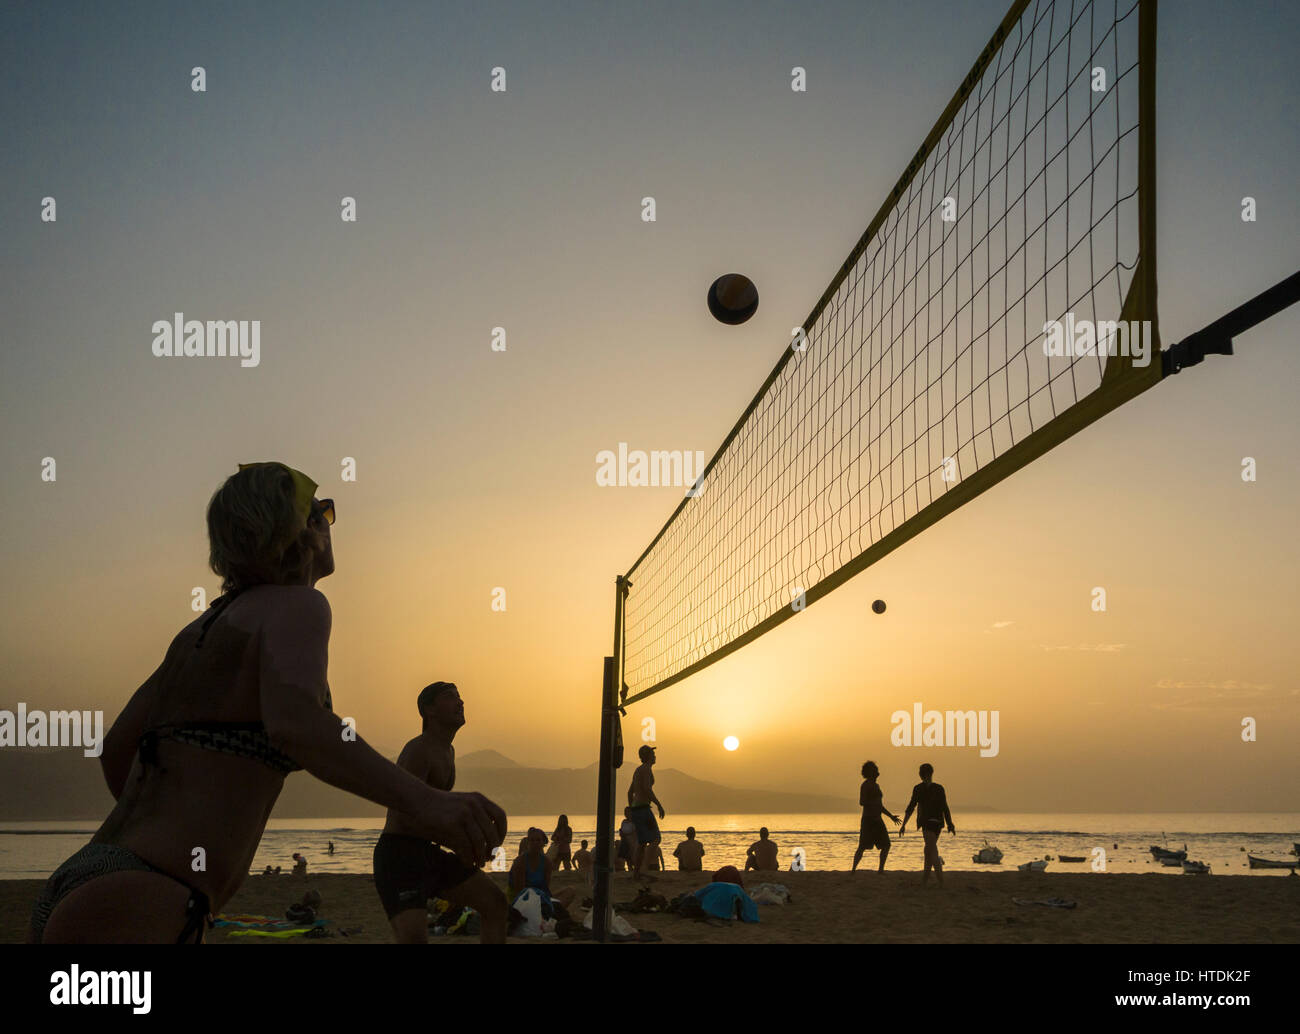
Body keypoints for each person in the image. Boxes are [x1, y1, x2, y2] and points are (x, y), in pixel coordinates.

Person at [27, 462, 506, 944]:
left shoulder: (198, 632)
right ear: (303, 530)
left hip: (93, 872)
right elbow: (296, 724)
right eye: (322, 511)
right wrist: (431, 803)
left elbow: (116, 750)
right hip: (147, 895)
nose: (328, 522)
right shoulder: (298, 605)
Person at [373, 682, 509, 944]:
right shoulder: (419, 750)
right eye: (450, 697)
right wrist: (458, 840)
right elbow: (402, 815)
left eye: (460, 696)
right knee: (414, 938)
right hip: (399, 856)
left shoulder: (448, 751)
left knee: (495, 904)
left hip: (427, 852)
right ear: (429, 711)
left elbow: (436, 812)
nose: (460, 702)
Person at [901, 762, 956, 887]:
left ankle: (941, 882)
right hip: (938, 824)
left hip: (926, 823)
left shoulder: (918, 789)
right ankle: (924, 881)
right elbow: (945, 808)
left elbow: (911, 807)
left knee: (932, 851)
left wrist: (904, 824)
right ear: (931, 773)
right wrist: (949, 824)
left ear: (920, 775)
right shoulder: (939, 788)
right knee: (928, 850)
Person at [509, 827, 576, 921]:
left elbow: (545, 887)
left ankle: (547, 913)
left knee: (570, 891)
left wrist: (546, 900)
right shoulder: (521, 861)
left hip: (541, 897)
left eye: (538, 840)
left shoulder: (546, 862)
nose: (535, 843)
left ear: (543, 843)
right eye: (532, 840)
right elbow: (519, 891)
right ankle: (547, 914)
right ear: (528, 842)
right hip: (523, 899)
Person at [852, 761, 899, 872]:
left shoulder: (876, 786)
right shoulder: (866, 785)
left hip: (878, 820)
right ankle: (853, 869)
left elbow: (880, 806)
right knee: (862, 847)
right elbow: (862, 802)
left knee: (886, 845)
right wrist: (873, 803)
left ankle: (881, 870)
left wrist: (891, 817)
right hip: (868, 820)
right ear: (870, 772)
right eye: (875, 770)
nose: (878, 772)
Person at [627, 745, 665, 879]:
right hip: (643, 808)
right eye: (652, 754)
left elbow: (630, 792)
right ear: (648, 756)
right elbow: (647, 789)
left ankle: (636, 872)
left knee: (642, 843)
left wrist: (631, 809)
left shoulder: (638, 770)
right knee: (656, 839)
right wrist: (659, 804)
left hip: (637, 808)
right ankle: (644, 868)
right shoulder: (646, 769)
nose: (655, 756)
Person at [616, 806, 638, 872]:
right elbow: (622, 830)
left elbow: (635, 833)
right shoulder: (624, 821)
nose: (626, 814)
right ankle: (630, 871)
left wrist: (627, 835)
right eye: (625, 812)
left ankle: (636, 872)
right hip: (625, 842)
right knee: (628, 859)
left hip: (632, 842)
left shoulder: (634, 821)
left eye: (628, 812)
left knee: (633, 859)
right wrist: (621, 833)